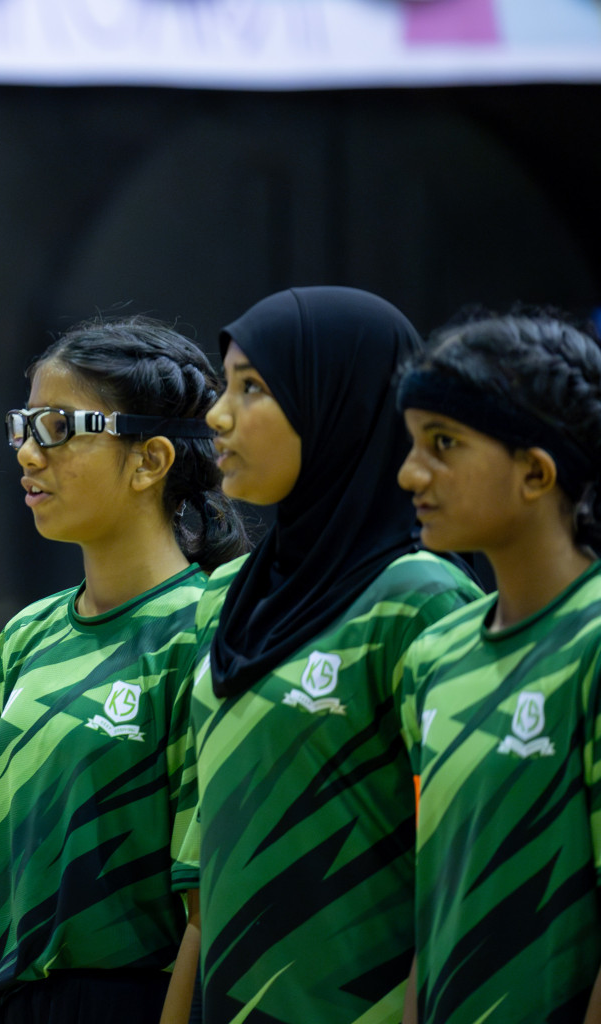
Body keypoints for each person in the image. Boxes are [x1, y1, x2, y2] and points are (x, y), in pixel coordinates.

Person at [175, 287, 483, 1024]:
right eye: (225, 386)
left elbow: (456, 883)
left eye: (252, 388)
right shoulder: (228, 597)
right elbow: (201, 886)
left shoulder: (421, 599)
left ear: (338, 402)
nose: (218, 415)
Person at [0, 320, 247, 1024]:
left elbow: (203, 904)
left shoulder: (207, 627)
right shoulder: (25, 636)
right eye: (24, 425)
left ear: (150, 460)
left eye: (58, 427)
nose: (28, 453)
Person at [395, 314, 601, 1024]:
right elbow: (437, 892)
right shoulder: (434, 656)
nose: (410, 472)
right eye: (413, 442)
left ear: (536, 472)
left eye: (443, 444)